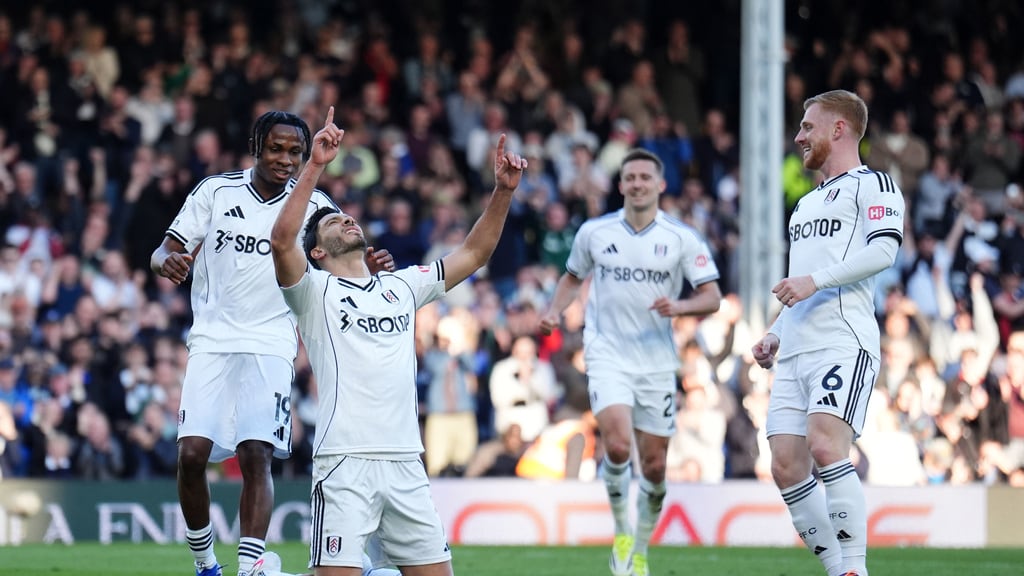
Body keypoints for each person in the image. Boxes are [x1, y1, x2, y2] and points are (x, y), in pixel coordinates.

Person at [269, 107, 526, 576]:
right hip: (345, 460)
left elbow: (474, 253)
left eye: (348, 218)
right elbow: (283, 241)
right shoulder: (313, 292)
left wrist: (502, 193)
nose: (347, 220)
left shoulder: (402, 286)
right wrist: (316, 165)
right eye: (333, 223)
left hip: (406, 460)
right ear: (319, 253)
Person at [151, 110, 395, 576]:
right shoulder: (216, 192)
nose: (286, 160)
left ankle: (249, 569)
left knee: (256, 454)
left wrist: (374, 263)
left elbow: (344, 255)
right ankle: (205, 565)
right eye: (276, 149)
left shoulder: (313, 202)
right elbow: (163, 248)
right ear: (255, 145)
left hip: (272, 341)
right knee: (191, 455)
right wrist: (167, 262)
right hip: (212, 339)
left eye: (295, 152)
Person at [539, 148, 723, 576]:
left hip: (657, 363)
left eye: (645, 177)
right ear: (620, 185)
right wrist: (555, 310)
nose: (637, 183)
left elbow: (712, 296)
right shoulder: (595, 232)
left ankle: (640, 547)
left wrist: (679, 307)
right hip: (607, 354)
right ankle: (622, 535)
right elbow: (572, 277)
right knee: (618, 445)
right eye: (630, 177)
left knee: (655, 466)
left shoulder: (681, 238)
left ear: (660, 185)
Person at [751, 90, 905, 576]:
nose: (799, 136)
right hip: (795, 347)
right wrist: (776, 329)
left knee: (825, 445)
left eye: (807, 127)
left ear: (839, 129)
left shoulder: (874, 184)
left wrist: (813, 282)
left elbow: (884, 253)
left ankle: (854, 570)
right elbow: (804, 277)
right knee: (785, 464)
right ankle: (839, 571)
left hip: (843, 339)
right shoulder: (805, 204)